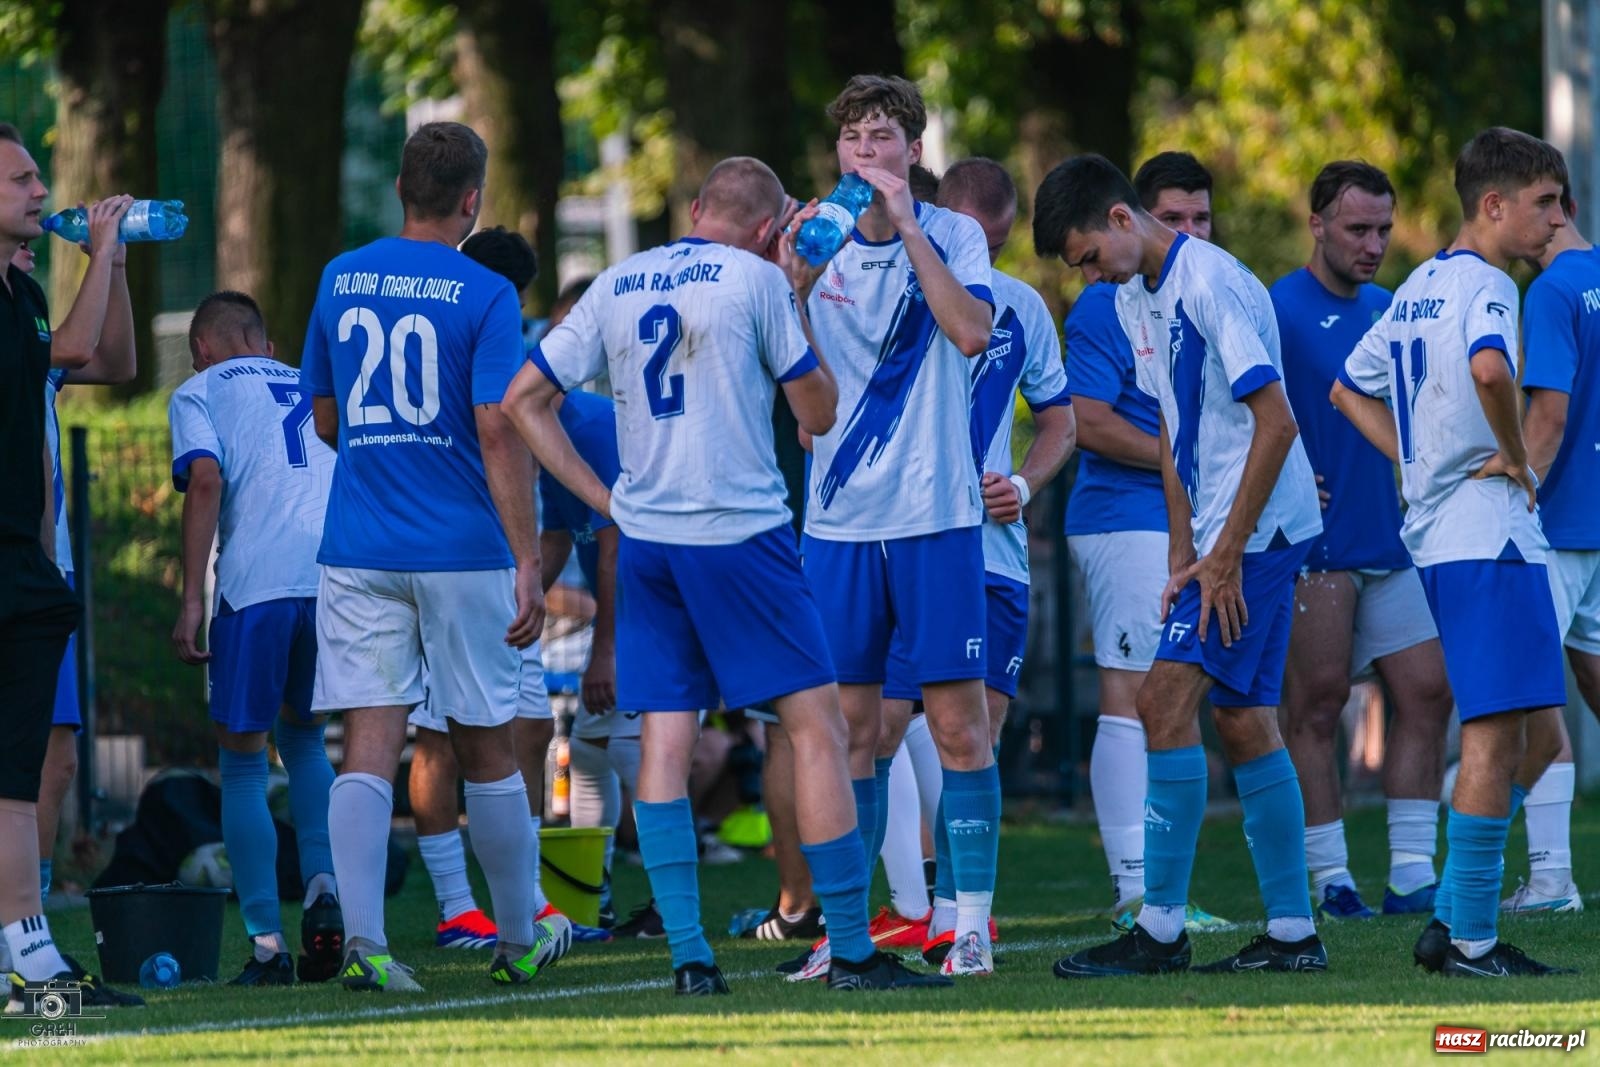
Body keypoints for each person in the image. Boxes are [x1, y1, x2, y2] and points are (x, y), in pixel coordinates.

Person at [504, 154, 947, 993]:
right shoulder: (759, 280)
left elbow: (525, 396)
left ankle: (689, 957)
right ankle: (850, 948)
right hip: (741, 531)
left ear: (698, 205)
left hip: (650, 541)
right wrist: (801, 290)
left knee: (666, 741)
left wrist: (606, 496)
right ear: (771, 226)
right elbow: (817, 418)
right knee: (816, 727)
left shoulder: (617, 281)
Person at [1037, 153, 1327, 977]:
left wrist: (1225, 553)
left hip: (1262, 533)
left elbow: (1276, 424)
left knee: (1162, 699)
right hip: (1226, 537)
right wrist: (1180, 552)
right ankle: (1293, 934)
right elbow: (1171, 430)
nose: (1087, 274)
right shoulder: (1132, 298)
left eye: (1088, 254)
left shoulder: (1214, 285)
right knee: (1241, 718)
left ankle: (1158, 932)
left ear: (1122, 221)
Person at [299, 121, 552, 993]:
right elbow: (496, 425)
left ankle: (368, 945)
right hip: (462, 546)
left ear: (402, 189)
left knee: (368, 741)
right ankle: (518, 940)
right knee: (487, 742)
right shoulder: (486, 292)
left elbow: (325, 420)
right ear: (471, 200)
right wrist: (528, 556)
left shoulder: (338, 275)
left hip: (360, 543)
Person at [1331, 126, 1575, 977]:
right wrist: (1512, 450)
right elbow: (1489, 372)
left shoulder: (1418, 286)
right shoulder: (1491, 286)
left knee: (1542, 738)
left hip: (1448, 537)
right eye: (1545, 203)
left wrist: (1408, 454)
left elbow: (1344, 384)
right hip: (1488, 535)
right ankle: (1470, 937)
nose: (1558, 221)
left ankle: (1448, 914)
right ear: (1494, 205)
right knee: (1497, 735)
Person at [793, 73, 1001, 980]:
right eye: (853, 139)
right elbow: (797, 401)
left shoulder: (954, 232)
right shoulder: (815, 241)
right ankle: (844, 937)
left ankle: (972, 926)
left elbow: (969, 332)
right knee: (847, 732)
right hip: (837, 523)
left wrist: (909, 224)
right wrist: (792, 286)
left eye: (883, 137)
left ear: (915, 150)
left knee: (959, 726)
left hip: (935, 516)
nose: (866, 153)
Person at [873, 157, 1077, 963]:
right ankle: (873, 913)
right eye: (973, 240)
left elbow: (1060, 421)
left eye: (994, 244)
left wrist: (1024, 484)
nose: (980, 259)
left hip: (991, 554)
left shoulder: (1020, 307)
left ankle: (961, 920)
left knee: (977, 737)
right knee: (873, 728)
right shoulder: (887, 288)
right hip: (897, 539)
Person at [1272, 161, 1454, 920]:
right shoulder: (1275, 307)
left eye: (1383, 228)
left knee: (1427, 692)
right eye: (1357, 229)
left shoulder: (1393, 306)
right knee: (1315, 706)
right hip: (1316, 549)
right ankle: (1330, 877)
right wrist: (1282, 478)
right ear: (1317, 224)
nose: (1374, 243)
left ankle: (1412, 872)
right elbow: (1240, 410)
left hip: (1394, 537)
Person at [1064, 151, 1233, 935]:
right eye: (1177, 216)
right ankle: (1134, 886)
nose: (1191, 231)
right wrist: (1188, 462)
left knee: (1172, 699)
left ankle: (1158, 888)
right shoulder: (1107, 303)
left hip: (1176, 521)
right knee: (1135, 696)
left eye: (1202, 217)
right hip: (1124, 519)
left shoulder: (1202, 284)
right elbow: (1089, 422)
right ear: (1135, 214)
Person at [403, 227, 575, 957]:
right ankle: (456, 904)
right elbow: (498, 433)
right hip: (459, 556)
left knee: (525, 728)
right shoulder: (468, 337)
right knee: (443, 734)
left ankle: (525, 899)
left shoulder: (506, 339)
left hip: (487, 559)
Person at [0, 122, 140, 1010]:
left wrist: (111, 260)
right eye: (19, 179)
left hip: (21, 570)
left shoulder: (18, 296)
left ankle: (27, 949)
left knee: (19, 774)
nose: (38, 189)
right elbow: (82, 351)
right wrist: (101, 252)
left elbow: (104, 357)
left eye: (37, 175)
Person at [168, 290, 342, 986]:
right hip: (333, 578)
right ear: (265, 344)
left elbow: (204, 479)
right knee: (305, 741)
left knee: (242, 762)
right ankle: (327, 888)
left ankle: (268, 946)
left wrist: (189, 597)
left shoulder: (198, 388)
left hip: (257, 583)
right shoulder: (309, 379)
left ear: (202, 348)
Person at [1502, 185, 1599, 917]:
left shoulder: (1550, 289)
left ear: (1554, 206)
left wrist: (1516, 481)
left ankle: (1551, 878)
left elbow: (1551, 411)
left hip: (1561, 523)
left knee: (1532, 694)